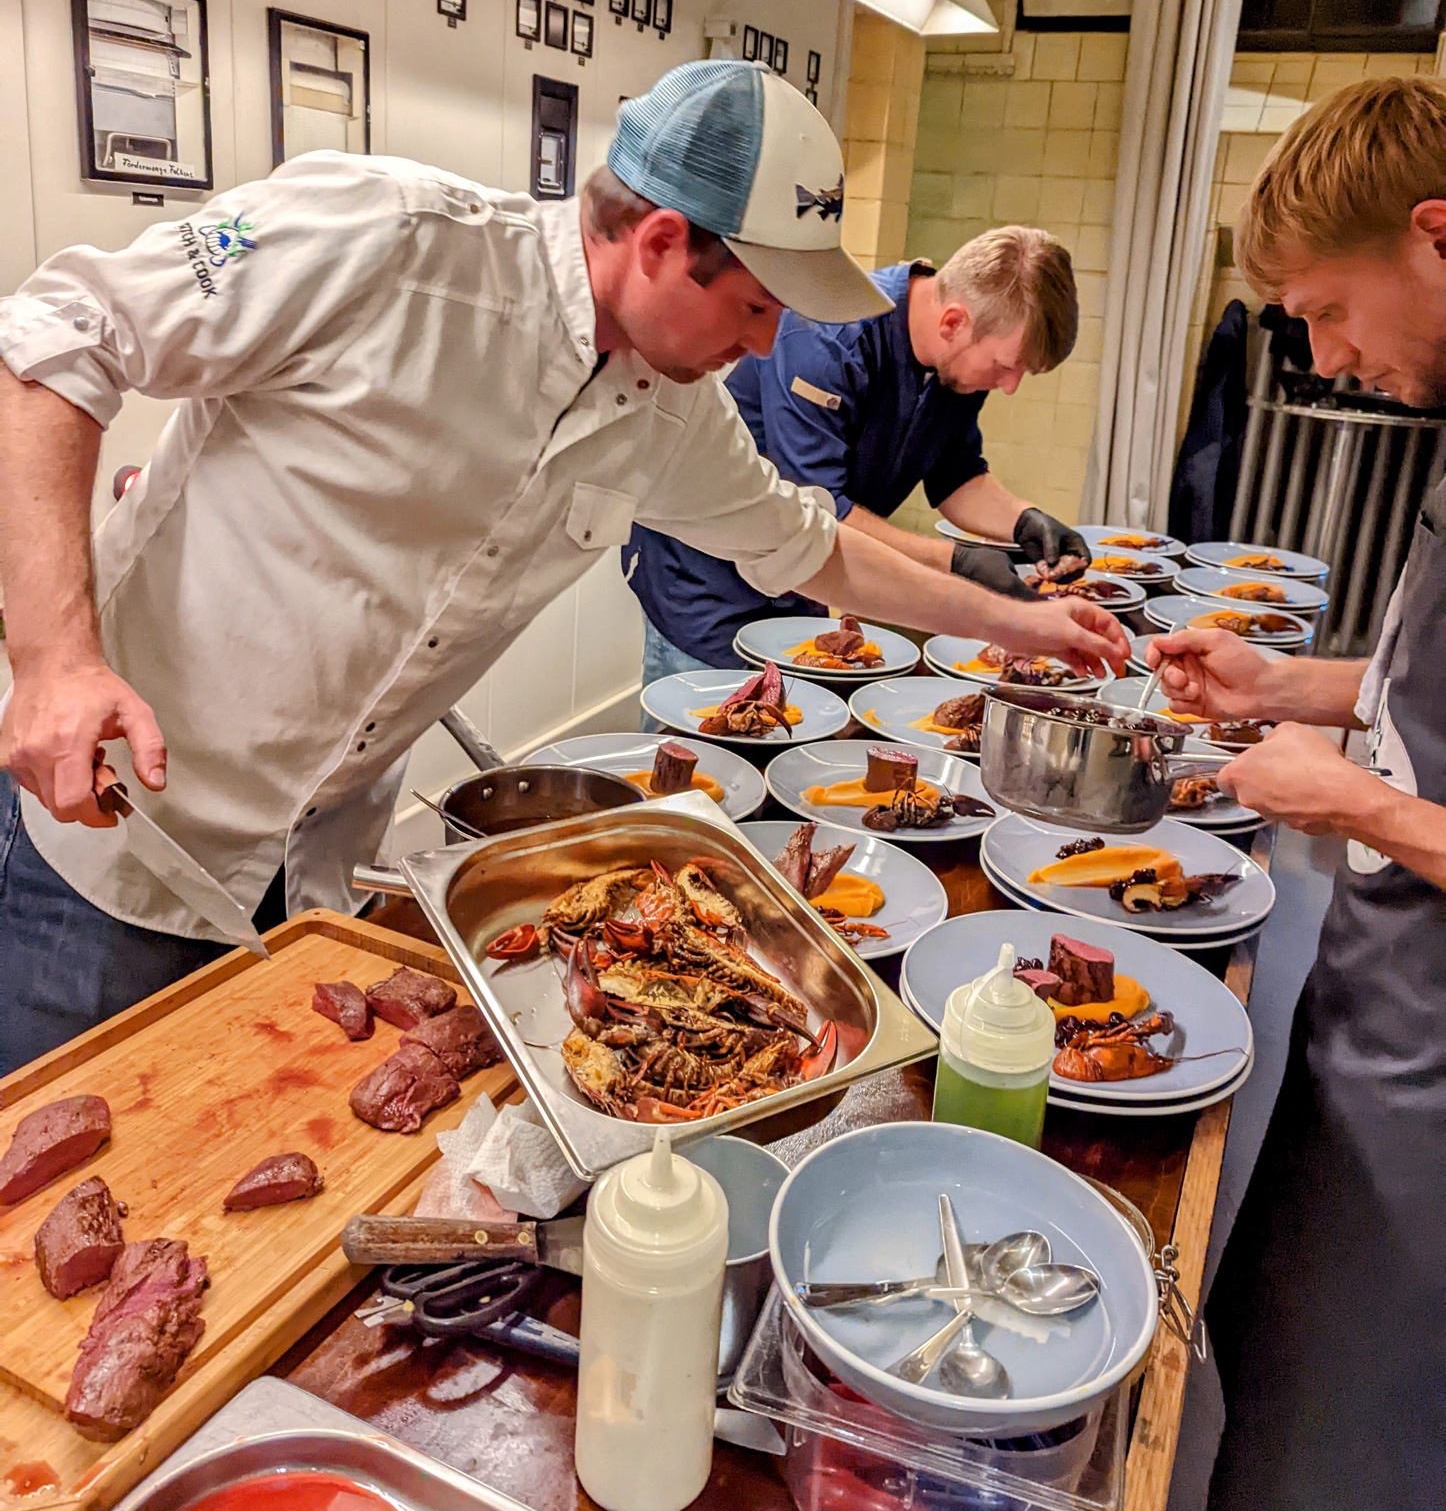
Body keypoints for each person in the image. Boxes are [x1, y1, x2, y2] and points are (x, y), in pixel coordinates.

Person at [0, 59, 1127, 1073]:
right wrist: (55, 662)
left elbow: (812, 548)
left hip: (310, 874)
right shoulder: (386, 242)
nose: (770, 344)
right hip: (110, 847)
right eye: (755, 303)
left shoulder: (669, 409)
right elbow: (55, 336)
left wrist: (1022, 624)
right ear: (661, 243)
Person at [1145, 75, 1446, 1511]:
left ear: (1434, 239)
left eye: (1330, 313)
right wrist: (1286, 682)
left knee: (1352, 1460)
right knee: (1270, 1372)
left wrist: (1352, 806)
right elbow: (1416, 690)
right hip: (1376, 1021)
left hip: (1433, 1101)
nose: (1324, 361)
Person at [623, 225, 1092, 682]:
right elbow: (824, 508)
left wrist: (1025, 520)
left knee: (787, 723)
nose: (1009, 387)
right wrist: (956, 561)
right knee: (705, 739)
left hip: (802, 572)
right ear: (953, 322)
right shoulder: (829, 338)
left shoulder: (957, 365)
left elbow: (955, 475)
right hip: (705, 581)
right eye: (1007, 368)